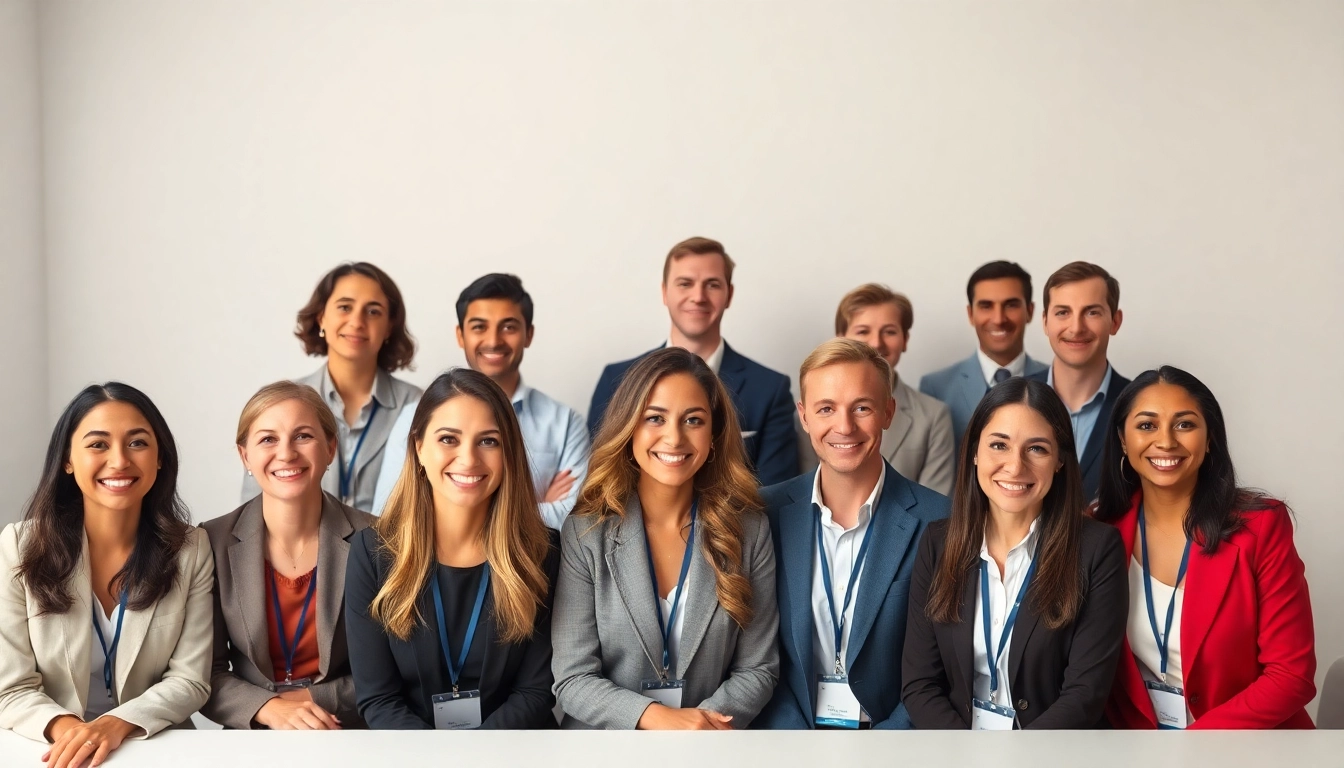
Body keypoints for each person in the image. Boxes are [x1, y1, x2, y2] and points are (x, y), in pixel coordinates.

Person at [554, 348, 780, 729]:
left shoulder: (750, 529)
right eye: (654, 418)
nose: (674, 438)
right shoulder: (585, 532)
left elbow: (758, 668)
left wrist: (699, 727)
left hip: (711, 747)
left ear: (714, 434)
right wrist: (660, 719)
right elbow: (573, 678)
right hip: (607, 750)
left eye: (693, 420)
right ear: (630, 429)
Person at [0, 383, 213, 767]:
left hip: (157, 747)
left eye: (137, 443)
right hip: (49, 750)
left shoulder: (191, 548)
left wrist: (114, 725)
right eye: (98, 444)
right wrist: (73, 731)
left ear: (160, 457)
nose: (119, 461)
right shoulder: (19, 546)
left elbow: (191, 680)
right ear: (67, 459)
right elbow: (9, 687)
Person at [1095, 366, 1315, 729]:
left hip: (1252, 745)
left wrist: (1194, 747)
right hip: (1139, 746)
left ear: (1210, 437)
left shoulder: (1261, 528)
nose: (1166, 441)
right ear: (1122, 439)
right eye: (1147, 425)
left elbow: (1291, 675)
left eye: (1185, 424)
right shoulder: (1098, 531)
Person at [902, 378, 1127, 729]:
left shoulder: (1097, 550)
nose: (1015, 466)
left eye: (1036, 448)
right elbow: (920, 685)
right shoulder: (937, 543)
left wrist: (1016, 761)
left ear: (1060, 461)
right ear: (975, 452)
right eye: (999, 445)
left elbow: (1085, 694)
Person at [345, 369, 560, 729]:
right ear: (418, 447)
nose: (469, 459)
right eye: (449, 439)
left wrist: (476, 759)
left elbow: (535, 692)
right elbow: (378, 699)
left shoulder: (543, 551)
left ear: (508, 452)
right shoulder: (372, 552)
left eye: (488, 441)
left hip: (514, 751)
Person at [754, 340, 950, 730]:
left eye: (862, 407)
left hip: (895, 745)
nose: (844, 426)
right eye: (826, 408)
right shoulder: (763, 515)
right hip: (790, 743)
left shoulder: (942, 519)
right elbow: (754, 657)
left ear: (888, 412)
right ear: (804, 416)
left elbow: (945, 664)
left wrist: (881, 749)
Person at [202, 382, 374, 730]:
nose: (286, 453)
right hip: (252, 737)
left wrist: (311, 701)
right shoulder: (211, 541)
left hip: (347, 732)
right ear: (245, 456)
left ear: (330, 448)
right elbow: (204, 674)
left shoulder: (379, 539)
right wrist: (268, 709)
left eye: (303, 436)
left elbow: (393, 669)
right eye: (268, 439)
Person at [374, 274, 589, 529]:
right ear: (460, 335)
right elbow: (388, 513)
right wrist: (534, 506)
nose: (494, 340)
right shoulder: (415, 416)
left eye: (509, 327)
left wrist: (457, 507)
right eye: (479, 327)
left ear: (529, 335)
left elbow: (578, 518)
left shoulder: (565, 423)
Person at [587, 237, 798, 485]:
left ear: (729, 295)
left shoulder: (771, 389)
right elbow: (602, 476)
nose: (698, 297)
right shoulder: (617, 379)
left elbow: (776, 493)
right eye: (685, 284)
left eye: (712, 285)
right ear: (665, 292)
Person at [242, 262, 422, 513]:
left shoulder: (419, 406)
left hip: (388, 550)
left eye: (373, 311)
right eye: (345, 307)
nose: (357, 321)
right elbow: (252, 507)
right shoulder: (280, 405)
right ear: (321, 317)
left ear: (389, 326)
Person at [835, 284, 955, 494]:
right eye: (863, 331)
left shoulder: (934, 416)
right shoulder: (813, 413)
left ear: (905, 340)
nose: (876, 343)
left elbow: (935, 505)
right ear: (841, 339)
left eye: (889, 332)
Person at [1026, 262, 1130, 502]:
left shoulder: (1140, 406)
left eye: (1092, 312)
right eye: (1063, 312)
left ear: (1115, 321)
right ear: (1045, 322)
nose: (1076, 327)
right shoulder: (1011, 401)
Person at [919, 261, 1048, 450]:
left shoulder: (1056, 382)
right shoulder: (936, 388)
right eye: (986, 306)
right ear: (971, 314)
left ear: (1030, 311)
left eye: (1011, 305)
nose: (998, 319)